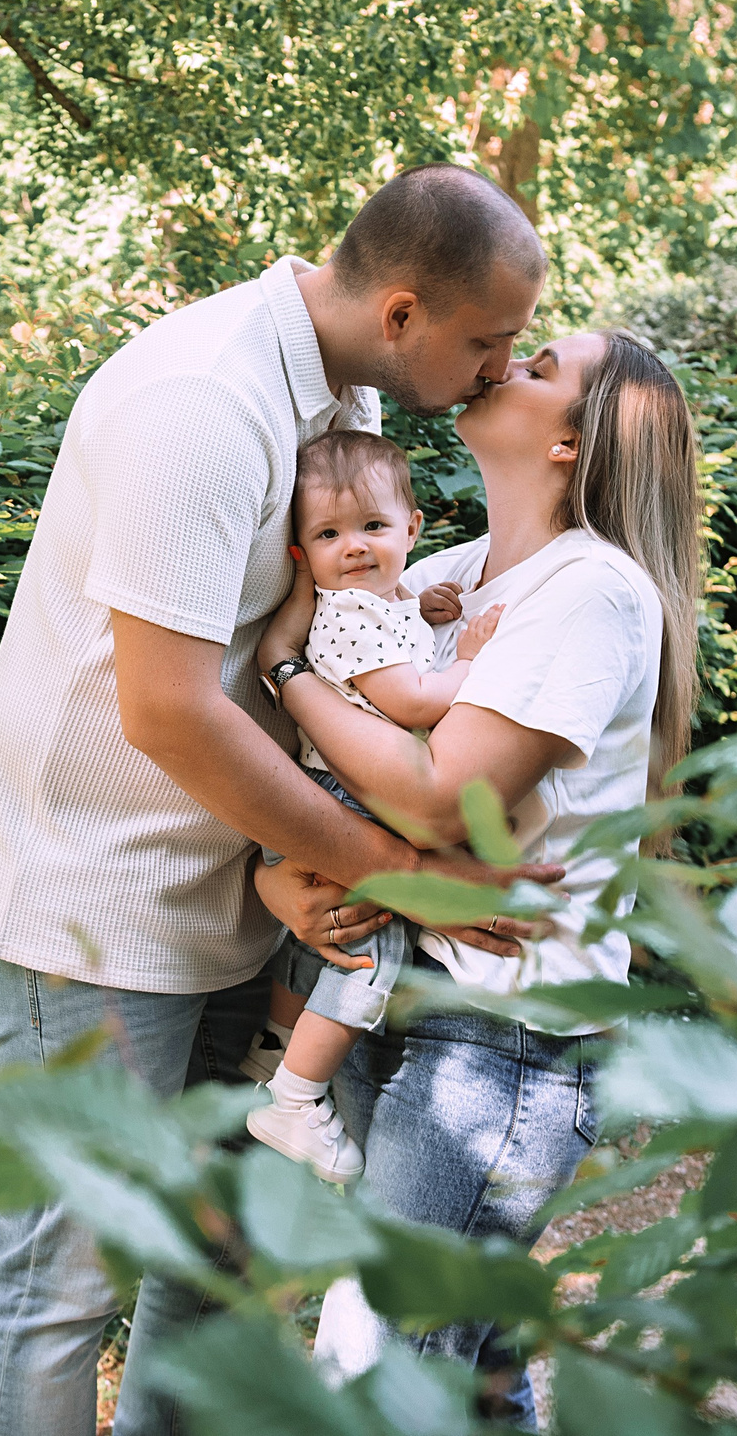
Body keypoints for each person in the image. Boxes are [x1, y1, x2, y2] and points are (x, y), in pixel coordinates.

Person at [0, 164, 562, 1436]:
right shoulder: (202, 404)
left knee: (217, 1251)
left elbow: (315, 635)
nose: (499, 367)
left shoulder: (342, 389)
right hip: (90, 891)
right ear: (400, 310)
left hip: (237, 876)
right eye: (485, 339)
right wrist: (389, 863)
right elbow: (165, 708)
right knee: (67, 1268)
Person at [253, 328, 704, 1429]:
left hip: (501, 1039)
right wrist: (281, 878)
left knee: (371, 1370)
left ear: (569, 442)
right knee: (472, 1370)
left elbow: (442, 799)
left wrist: (286, 671)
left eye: (542, 364)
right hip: (392, 993)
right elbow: (355, 784)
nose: (506, 362)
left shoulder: (593, 587)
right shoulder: (443, 574)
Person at [242, 427, 503, 1183]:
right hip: (339, 797)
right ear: (302, 553)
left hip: (325, 792)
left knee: (322, 938)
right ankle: (295, 1097)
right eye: (328, 534)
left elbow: (388, 637)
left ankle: (277, 1044)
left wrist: (421, 604)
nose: (353, 548)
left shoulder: (380, 603)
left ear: (412, 529)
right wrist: (475, 660)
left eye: (373, 528)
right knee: (370, 948)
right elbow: (410, 699)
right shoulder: (348, 614)